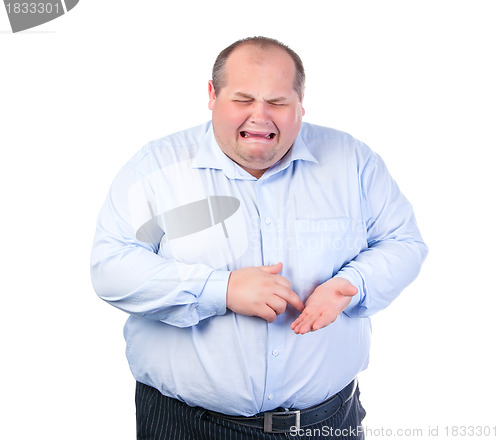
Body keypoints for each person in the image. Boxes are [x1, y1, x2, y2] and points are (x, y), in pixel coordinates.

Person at [90, 36, 428, 440]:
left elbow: (404, 242)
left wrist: (352, 284)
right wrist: (222, 289)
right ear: (212, 96)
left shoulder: (353, 160)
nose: (260, 116)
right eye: (243, 99)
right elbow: (111, 268)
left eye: (278, 102)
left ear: (301, 102)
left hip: (328, 423)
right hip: (187, 426)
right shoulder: (157, 168)